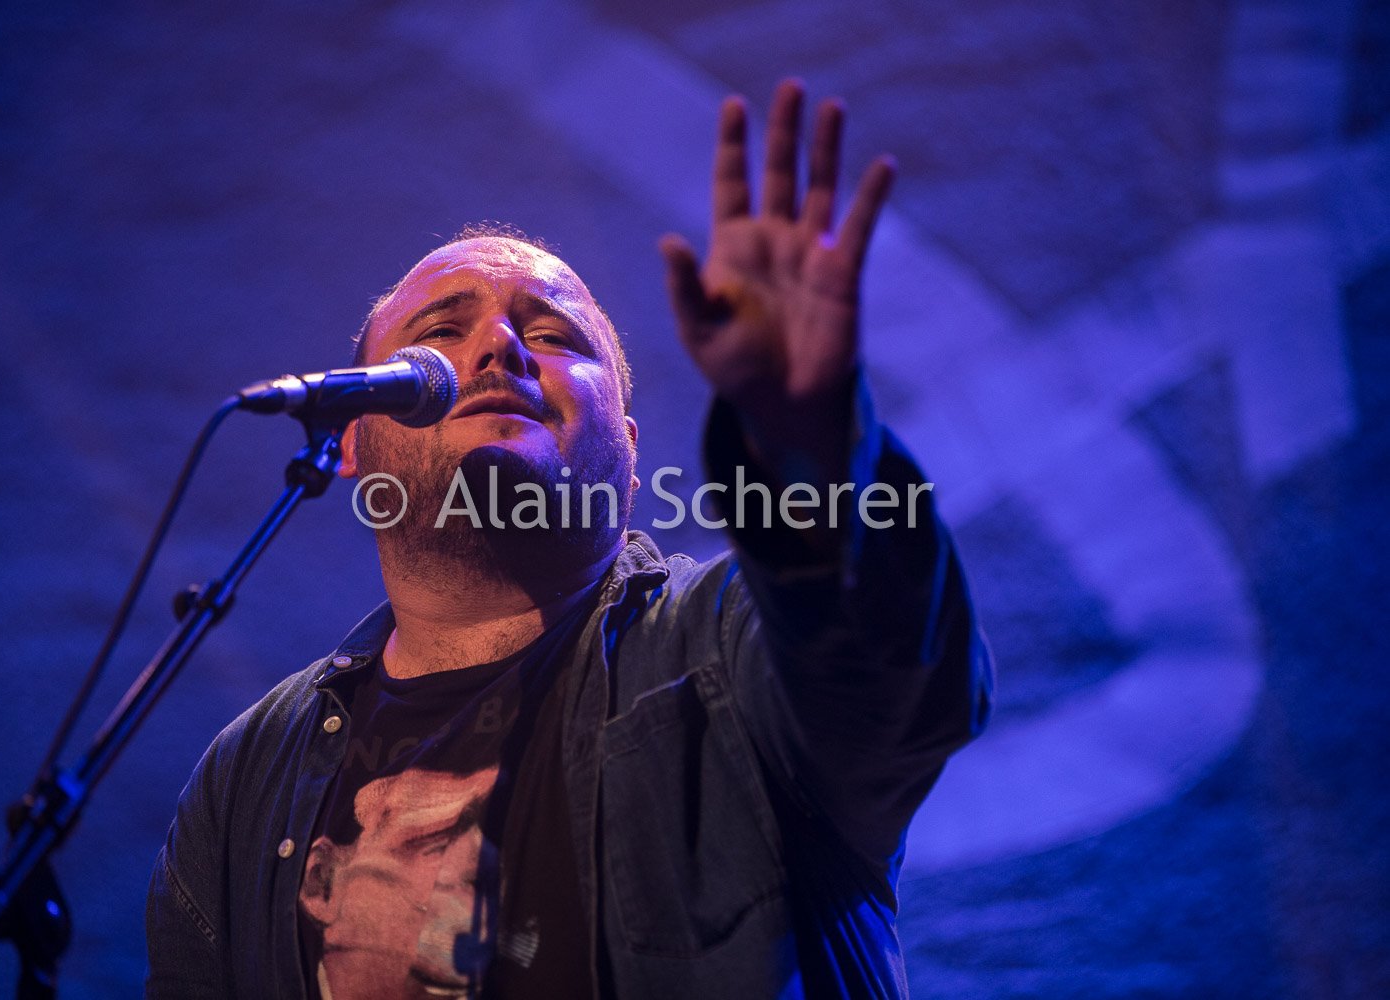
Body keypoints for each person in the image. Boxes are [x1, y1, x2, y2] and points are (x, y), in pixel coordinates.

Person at [146, 78, 993, 999]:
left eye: (552, 335)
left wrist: (810, 441)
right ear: (350, 439)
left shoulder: (723, 647)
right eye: (440, 332)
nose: (497, 348)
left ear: (627, 455)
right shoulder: (245, 778)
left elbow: (898, 678)